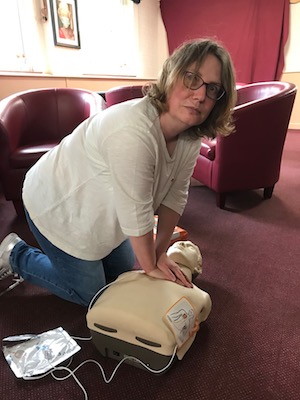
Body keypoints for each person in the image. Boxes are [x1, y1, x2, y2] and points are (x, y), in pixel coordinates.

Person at [0, 38, 236, 307]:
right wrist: (150, 267)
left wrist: (159, 254)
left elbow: (176, 194)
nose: (201, 95)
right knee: (95, 294)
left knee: (121, 273)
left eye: (213, 88)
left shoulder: (190, 135)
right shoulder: (133, 129)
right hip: (55, 202)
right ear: (171, 74)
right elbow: (136, 211)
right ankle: (16, 254)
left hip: (102, 205)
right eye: (192, 78)